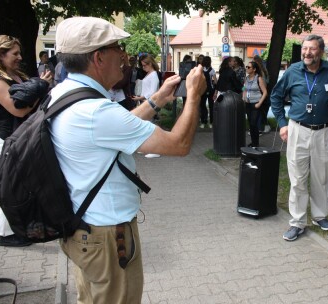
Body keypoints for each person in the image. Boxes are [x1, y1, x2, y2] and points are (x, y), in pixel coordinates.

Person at [51, 16, 205, 303]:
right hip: (109, 238)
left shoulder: (64, 94)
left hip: (83, 228)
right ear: (98, 57)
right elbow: (179, 144)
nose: (123, 55)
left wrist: (156, 99)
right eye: (116, 48)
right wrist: (194, 96)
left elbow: (116, 130)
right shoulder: (96, 112)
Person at [271, 35, 328, 241]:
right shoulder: (293, 71)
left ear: (321, 52)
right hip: (298, 129)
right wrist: (282, 124)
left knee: (324, 177)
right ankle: (297, 222)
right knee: (298, 178)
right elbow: (276, 97)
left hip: (325, 130)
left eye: (312, 49)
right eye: (305, 49)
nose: (307, 53)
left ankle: (320, 215)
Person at [0, 35, 53, 247]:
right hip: (10, 139)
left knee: (17, 186)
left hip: (24, 137)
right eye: (14, 53)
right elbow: (18, 110)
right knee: (15, 187)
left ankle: (12, 231)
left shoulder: (18, 76)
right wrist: (40, 87)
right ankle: (8, 234)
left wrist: (40, 89)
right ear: (1, 54)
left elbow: (33, 103)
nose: (20, 57)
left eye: (19, 52)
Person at [132, 55, 161, 158]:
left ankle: (155, 149)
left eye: (144, 65)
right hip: (145, 102)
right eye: (142, 65)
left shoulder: (153, 75)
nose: (143, 67)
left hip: (150, 103)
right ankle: (148, 147)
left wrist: (140, 98)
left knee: (151, 126)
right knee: (146, 125)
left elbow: (153, 92)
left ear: (150, 64)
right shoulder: (149, 74)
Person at [243, 61, 268, 147]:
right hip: (248, 104)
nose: (247, 68)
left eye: (249, 67)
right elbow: (244, 88)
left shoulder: (258, 78)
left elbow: (265, 92)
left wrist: (259, 103)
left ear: (254, 69)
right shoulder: (246, 78)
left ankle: (255, 143)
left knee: (254, 123)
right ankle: (253, 142)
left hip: (256, 104)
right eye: (246, 67)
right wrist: (243, 96)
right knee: (251, 124)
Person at [253, 55, 271, 134]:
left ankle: (260, 129)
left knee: (259, 112)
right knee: (262, 112)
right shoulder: (264, 70)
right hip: (263, 93)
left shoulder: (258, 72)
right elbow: (267, 82)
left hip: (259, 93)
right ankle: (262, 127)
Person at [200, 55, 216, 129]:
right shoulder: (212, 70)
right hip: (210, 90)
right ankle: (211, 123)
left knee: (202, 106)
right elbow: (215, 81)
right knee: (211, 106)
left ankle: (203, 121)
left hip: (202, 90)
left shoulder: (200, 70)